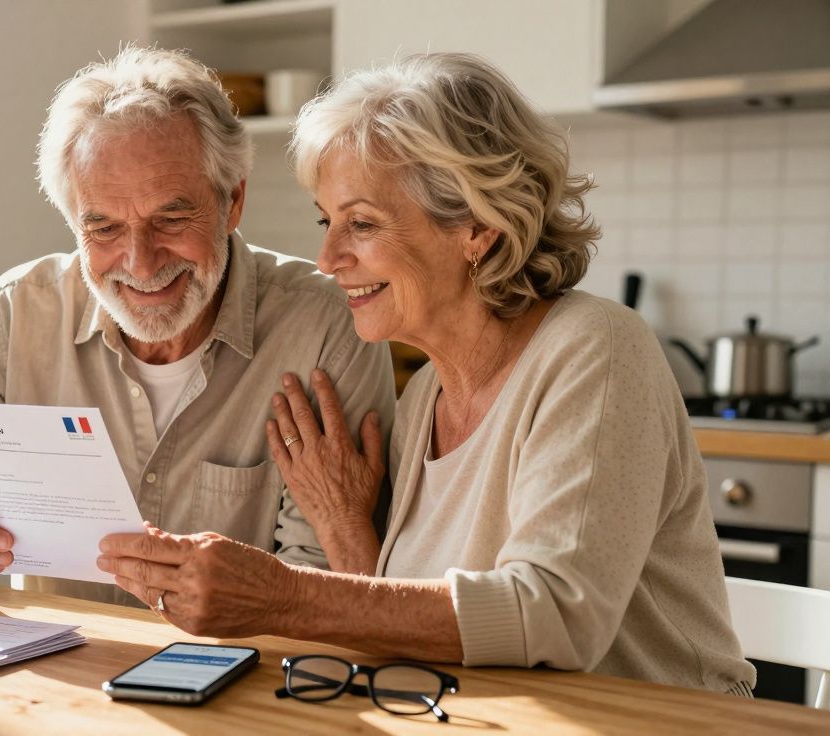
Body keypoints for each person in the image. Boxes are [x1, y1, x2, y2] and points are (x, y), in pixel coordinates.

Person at [97, 52, 756, 695]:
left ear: (478, 226)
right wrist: (347, 530)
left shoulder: (596, 349)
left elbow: (558, 614)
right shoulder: (424, 398)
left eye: (361, 223)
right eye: (328, 222)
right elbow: (411, 630)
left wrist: (284, 595)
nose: (327, 258)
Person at [0, 47, 397, 606]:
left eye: (171, 219)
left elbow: (327, 586)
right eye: (102, 229)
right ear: (72, 221)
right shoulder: (13, 316)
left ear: (232, 202)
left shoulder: (327, 327)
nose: (141, 263)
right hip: (58, 678)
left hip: (243, 677)